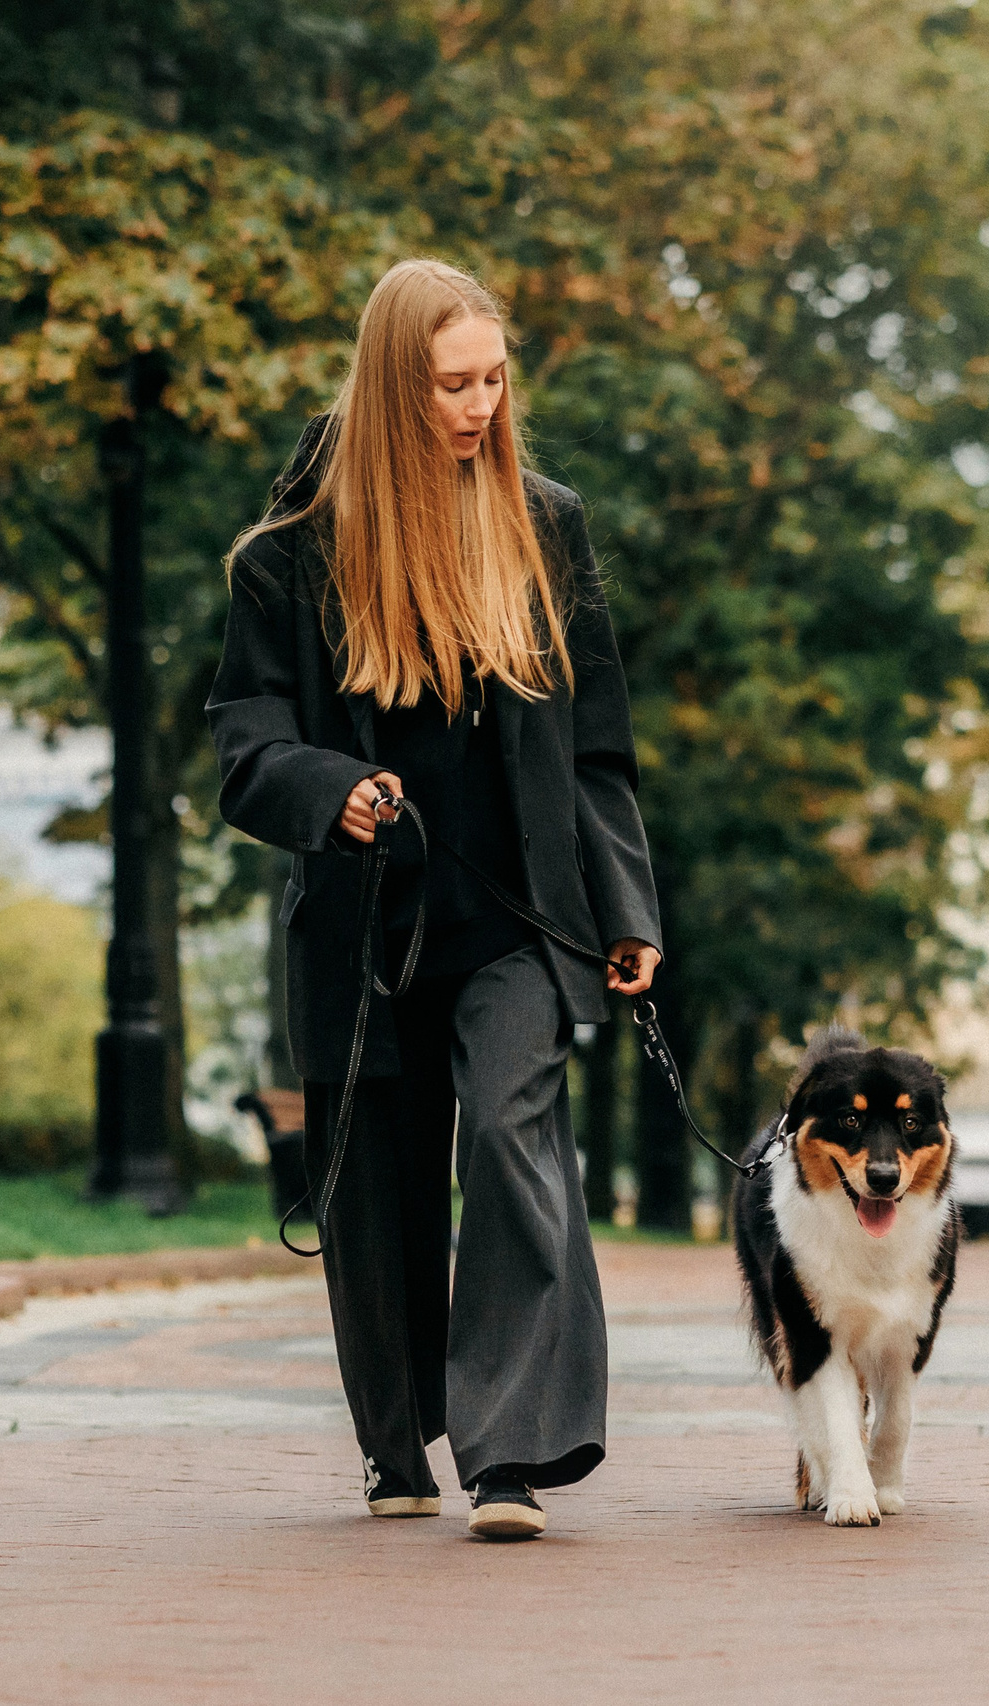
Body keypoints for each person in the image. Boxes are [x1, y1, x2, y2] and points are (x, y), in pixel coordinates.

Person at [207, 258, 661, 1540]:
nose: (479, 407)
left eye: (493, 380)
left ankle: (511, 1454)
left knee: (514, 1142)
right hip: (365, 928)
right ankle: (396, 1438)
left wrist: (626, 909)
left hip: (519, 920)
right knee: (379, 1187)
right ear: (391, 388)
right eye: (452, 386)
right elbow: (245, 740)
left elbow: (596, 747)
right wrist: (332, 790)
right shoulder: (290, 555)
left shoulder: (544, 523)